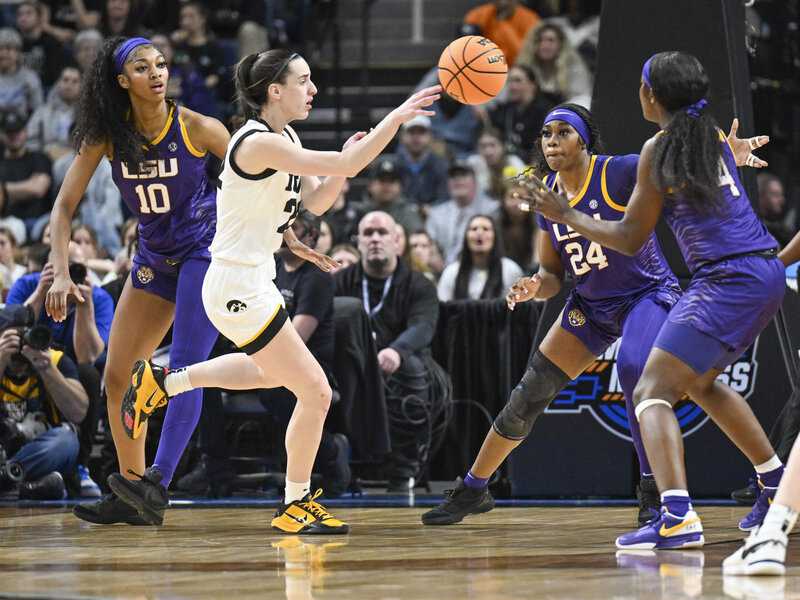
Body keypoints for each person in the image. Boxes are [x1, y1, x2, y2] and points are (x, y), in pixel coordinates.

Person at [117, 48, 440, 533]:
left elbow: (316, 201)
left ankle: (163, 382)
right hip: (233, 283)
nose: (313, 90)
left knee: (273, 375)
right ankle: (294, 503)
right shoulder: (254, 143)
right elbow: (350, 161)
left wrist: (336, 174)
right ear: (275, 91)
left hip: (251, 281)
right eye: (304, 81)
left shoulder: (283, 137)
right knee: (315, 391)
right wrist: (393, 117)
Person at [422, 102, 782, 533]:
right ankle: (474, 487)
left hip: (646, 293)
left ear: (584, 139)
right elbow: (554, 274)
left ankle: (654, 493)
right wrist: (537, 285)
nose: (552, 141)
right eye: (546, 134)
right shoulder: (545, 193)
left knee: (634, 369)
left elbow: (675, 161)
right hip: (590, 305)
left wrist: (726, 154)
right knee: (529, 394)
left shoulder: (620, 170)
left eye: (562, 132)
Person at [43, 37, 330, 528]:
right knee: (119, 376)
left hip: (205, 254)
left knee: (186, 365)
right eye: (142, 67)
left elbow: (259, 177)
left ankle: (159, 481)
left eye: (161, 64)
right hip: (154, 257)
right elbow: (64, 206)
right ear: (121, 81)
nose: (157, 73)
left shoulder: (198, 126)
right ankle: (132, 489)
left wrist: (285, 233)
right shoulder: (108, 135)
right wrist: (61, 270)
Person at [525, 53, 782, 550]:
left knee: (651, 393)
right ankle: (775, 487)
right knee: (702, 384)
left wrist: (564, 213)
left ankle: (677, 515)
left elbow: (626, 236)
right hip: (763, 271)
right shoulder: (705, 136)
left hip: (725, 280)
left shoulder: (658, 148)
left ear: (651, 95)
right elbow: (711, 169)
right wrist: (733, 153)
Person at [335, 211, 440, 491]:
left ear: (397, 241)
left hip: (401, 361)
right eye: (368, 234)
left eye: (382, 233)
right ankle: (339, 463)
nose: (375, 239)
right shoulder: (340, 281)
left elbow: (423, 326)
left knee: (414, 371)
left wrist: (397, 351)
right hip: (353, 362)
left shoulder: (419, 284)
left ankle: (404, 465)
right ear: (358, 242)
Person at [0, 306, 89, 500]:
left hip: (42, 452)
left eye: (26, 336)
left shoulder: (54, 360)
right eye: (13, 338)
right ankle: (24, 487)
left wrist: (48, 370)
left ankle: (7, 481)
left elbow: (79, 413)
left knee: (66, 440)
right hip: (4, 450)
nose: (22, 344)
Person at [426, 160, 500, 264]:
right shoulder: (437, 214)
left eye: (464, 175)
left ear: (475, 181)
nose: (458, 180)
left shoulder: (492, 209)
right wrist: (433, 257)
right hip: (443, 271)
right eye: (453, 176)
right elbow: (428, 242)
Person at [437, 214, 523, 301]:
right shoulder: (452, 271)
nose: (479, 233)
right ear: (466, 237)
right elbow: (443, 307)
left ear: (495, 236)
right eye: (474, 229)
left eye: (486, 229)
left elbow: (518, 308)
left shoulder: (510, 270)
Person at [517, 21, 593, 107]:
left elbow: (582, 100)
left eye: (551, 40)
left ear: (561, 44)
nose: (545, 45)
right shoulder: (526, 67)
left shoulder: (574, 68)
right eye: (540, 40)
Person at [486, 64, 553, 161]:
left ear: (532, 85)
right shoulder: (504, 111)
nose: (512, 86)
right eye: (510, 81)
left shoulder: (545, 112)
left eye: (518, 81)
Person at [25, 65, 81, 161]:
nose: (69, 85)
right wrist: (45, 152)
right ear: (58, 83)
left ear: (81, 86)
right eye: (65, 80)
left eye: (75, 81)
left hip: (78, 160)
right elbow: (29, 140)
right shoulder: (42, 112)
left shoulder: (87, 114)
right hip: (46, 161)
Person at [463, 0, 540, 67]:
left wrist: (503, 24)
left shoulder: (530, 19)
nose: (503, 2)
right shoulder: (478, 15)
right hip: (483, 68)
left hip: (516, 70)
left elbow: (524, 56)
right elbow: (466, 49)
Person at [466, 127, 526, 201]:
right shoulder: (473, 163)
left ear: (503, 146)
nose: (488, 152)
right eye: (483, 146)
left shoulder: (514, 162)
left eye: (492, 145)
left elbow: (523, 192)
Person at [0, 27, 42, 115]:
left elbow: (38, 112)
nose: (2, 54)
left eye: (8, 49)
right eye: (0, 48)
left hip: (23, 126)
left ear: (18, 53)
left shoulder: (30, 78)